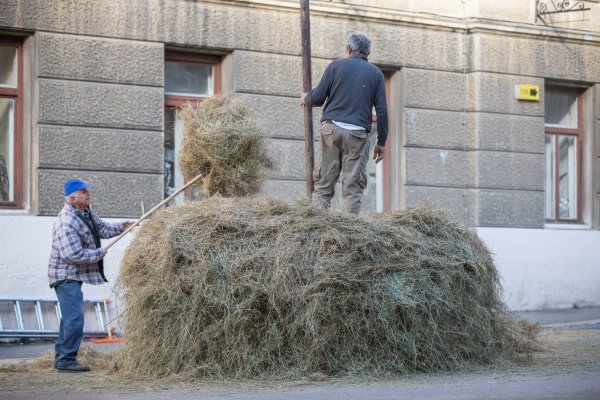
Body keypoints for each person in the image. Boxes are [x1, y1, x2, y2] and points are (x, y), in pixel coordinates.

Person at [48, 179, 132, 373]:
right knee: (75, 317)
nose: (88, 194)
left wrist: (122, 226)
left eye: (87, 191)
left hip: (73, 274)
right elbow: (73, 254)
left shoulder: (86, 212)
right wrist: (98, 254)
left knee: (70, 316)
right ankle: (66, 360)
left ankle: (62, 356)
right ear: (72, 198)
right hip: (64, 274)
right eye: (83, 192)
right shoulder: (66, 221)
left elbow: (101, 228)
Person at [301, 32, 388, 214]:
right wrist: (381, 142)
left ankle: (317, 228)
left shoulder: (335, 67)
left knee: (323, 186)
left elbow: (317, 98)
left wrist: (306, 98)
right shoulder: (376, 74)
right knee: (353, 188)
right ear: (368, 54)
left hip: (331, 130)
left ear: (348, 49)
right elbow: (381, 111)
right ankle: (349, 236)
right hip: (357, 135)